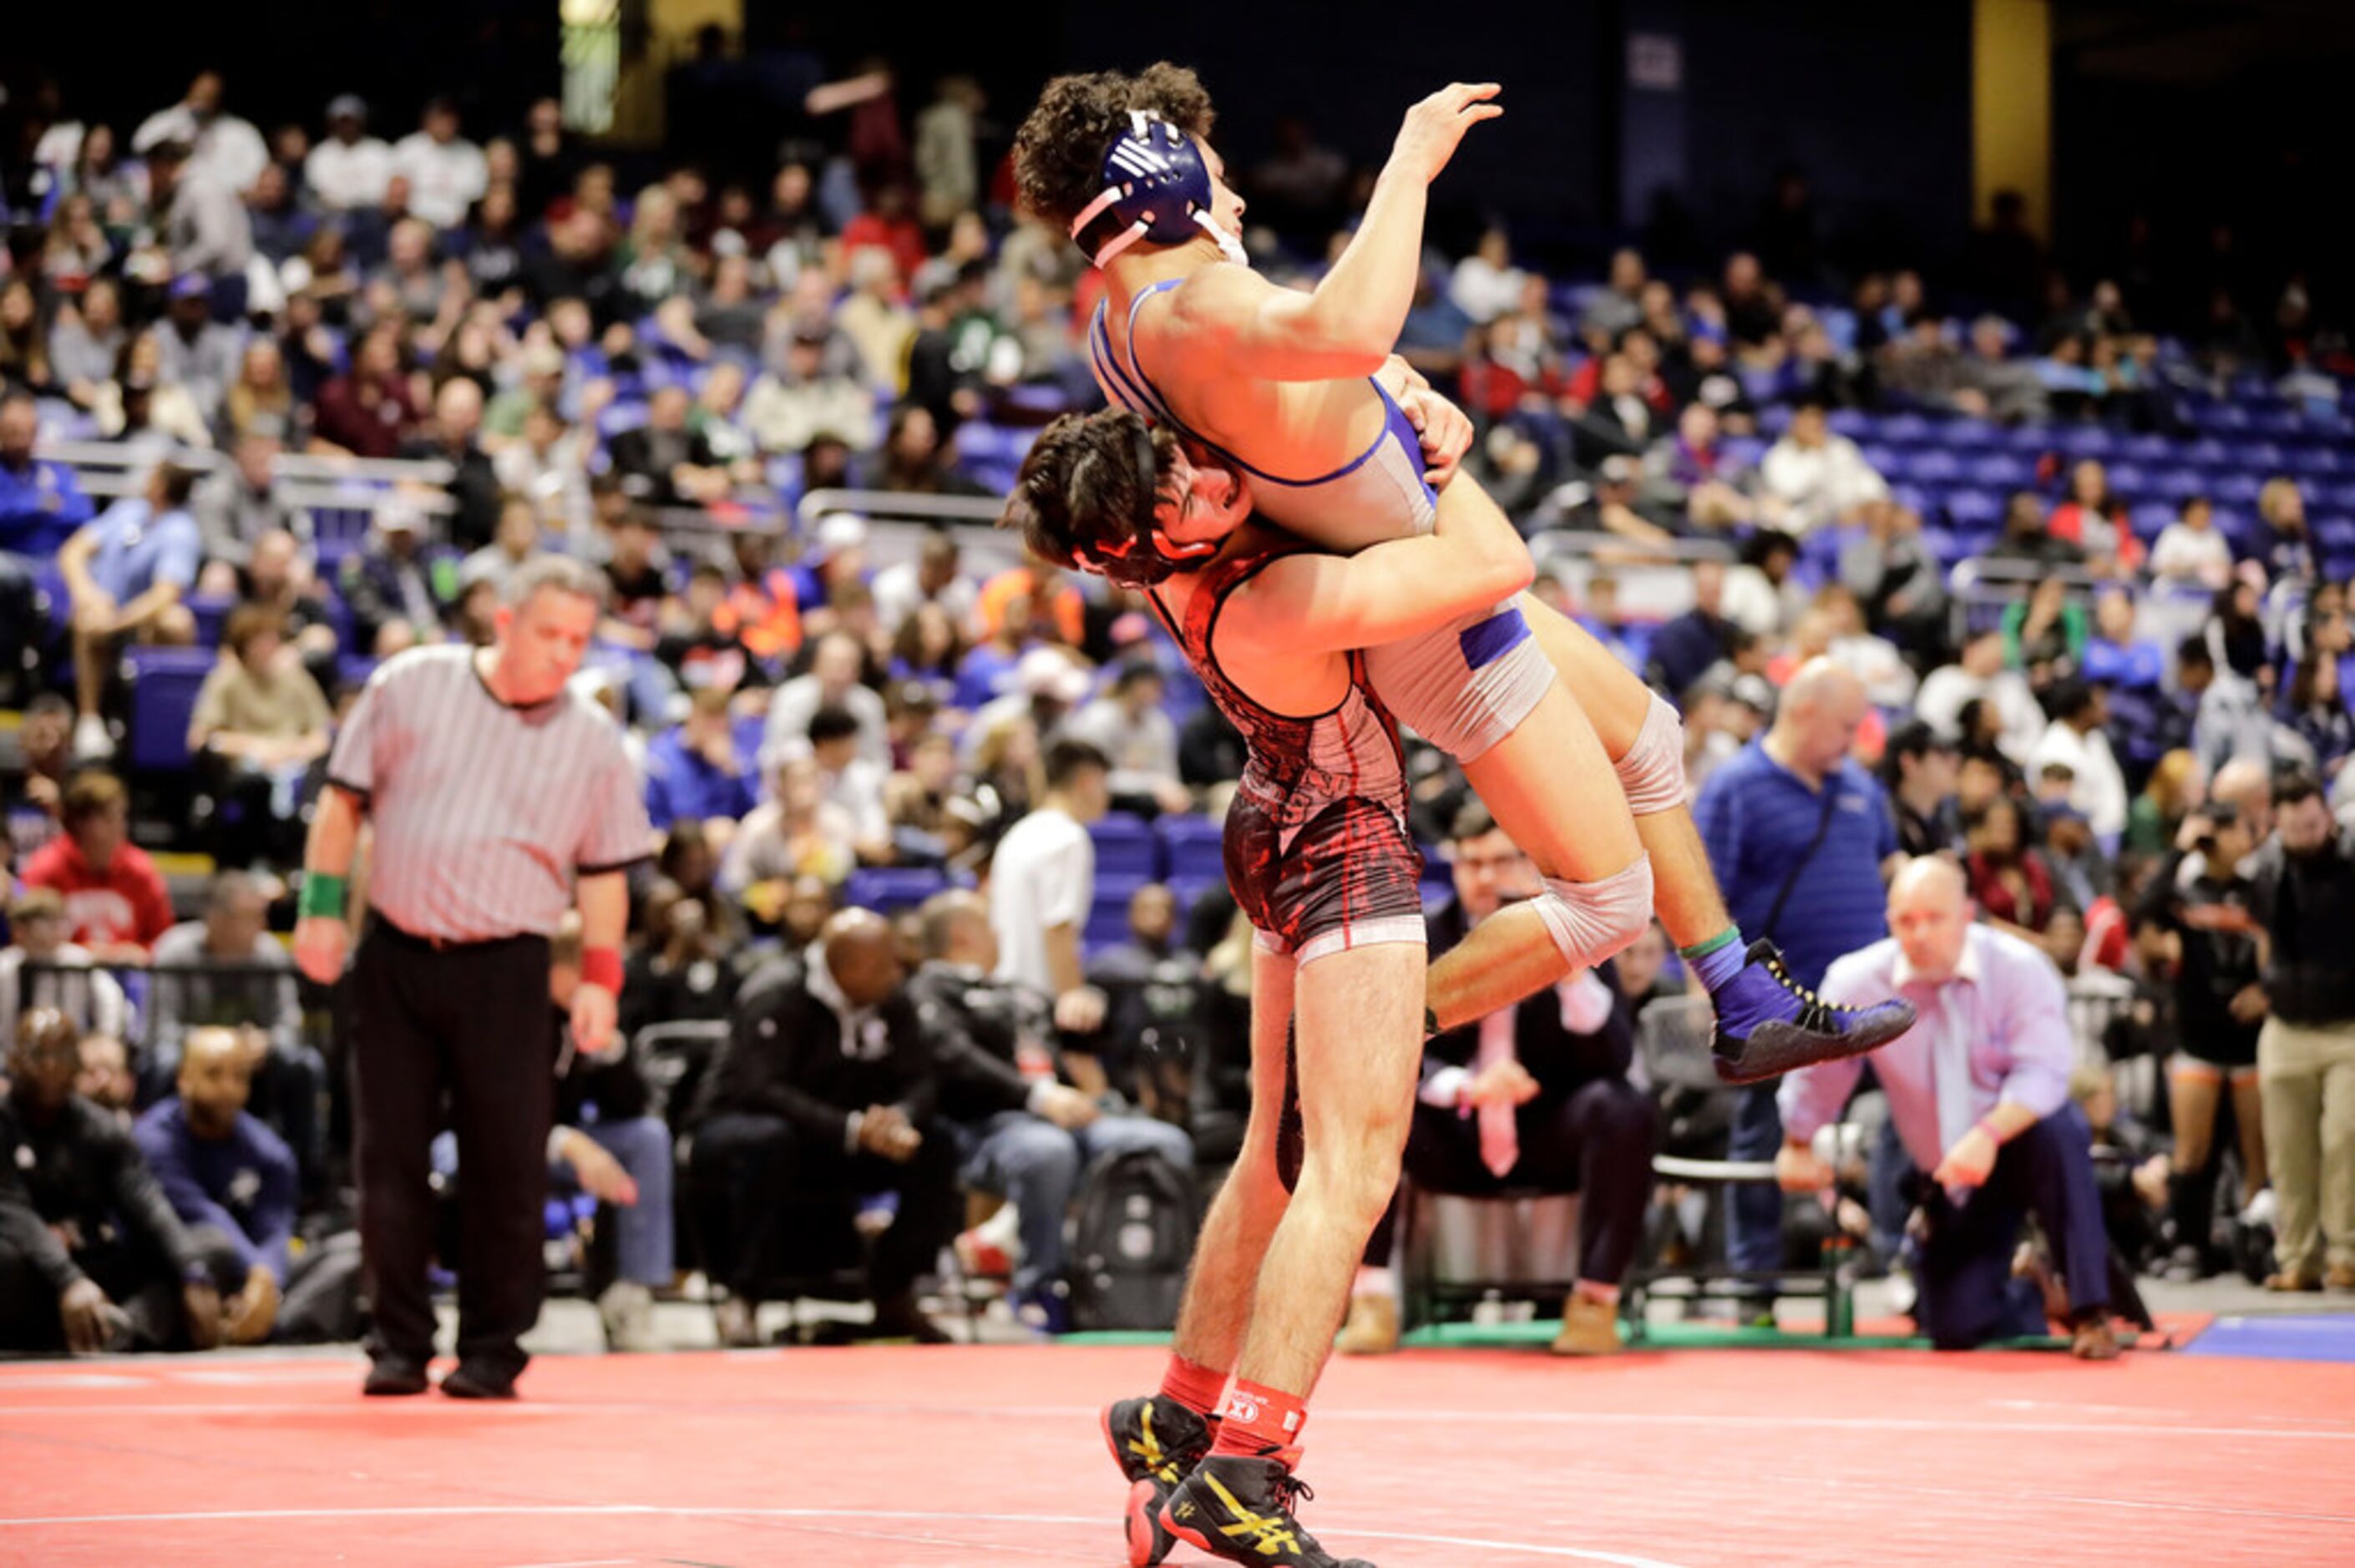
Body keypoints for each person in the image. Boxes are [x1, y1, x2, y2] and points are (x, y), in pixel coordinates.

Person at [1014, 67, 1902, 1094]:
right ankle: (1373, 1034)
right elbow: (1345, 335)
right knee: (1603, 904)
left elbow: (1321, 378)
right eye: (1217, 178)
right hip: (1438, 605)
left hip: (1418, 573)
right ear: (1155, 179)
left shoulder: (1123, 326)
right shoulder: (1191, 303)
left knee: (1649, 738)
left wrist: (1405, 392)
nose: (1238, 198)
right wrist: (1410, 163)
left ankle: (1742, 997)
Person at [1002, 372, 1530, 1566]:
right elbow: (1497, 566)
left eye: (1173, 458)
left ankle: (1178, 1415)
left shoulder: (1185, 549)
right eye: (1174, 492)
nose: (1203, 479)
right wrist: (1436, 450)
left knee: (1277, 1156)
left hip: (1274, 821)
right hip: (1344, 841)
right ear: (1142, 546)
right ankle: (1248, 1467)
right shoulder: (1272, 594)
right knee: (1354, 1167)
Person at [294, 555, 651, 1399]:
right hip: (399, 956)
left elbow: (604, 875)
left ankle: (493, 1348)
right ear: (503, 621)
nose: (565, 654)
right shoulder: (410, 685)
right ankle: (397, 1343)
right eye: (549, 633)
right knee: (389, 1161)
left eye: (579, 639)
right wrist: (317, 909)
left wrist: (600, 978)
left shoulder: (593, 739)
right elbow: (341, 801)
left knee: (508, 1166)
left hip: (510, 967)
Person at [1336, 805, 1658, 1358]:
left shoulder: (1578, 934)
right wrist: (1465, 1087)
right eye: (1471, 863)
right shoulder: (1422, 938)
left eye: (1502, 861)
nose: (1485, 878)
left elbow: (1613, 1055)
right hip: (1449, 1133)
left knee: (1626, 1108)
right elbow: (1386, 1052)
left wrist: (1569, 968)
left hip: (1547, 1126)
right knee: (1369, 1102)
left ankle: (1595, 1302)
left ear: (1532, 864)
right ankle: (1372, 1299)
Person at [1780, 859, 2117, 1358]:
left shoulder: (2018, 968)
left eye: (1934, 918)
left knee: (2061, 1126)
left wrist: (1989, 1134)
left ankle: (2092, 1311)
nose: (1919, 934)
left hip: (2017, 1142)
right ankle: (2033, 1284)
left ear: (1968, 914)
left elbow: (2045, 1072)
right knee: (1955, 1329)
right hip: (1944, 1172)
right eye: (1905, 920)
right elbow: (1821, 1072)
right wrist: (1798, 1141)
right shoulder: (1857, 982)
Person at [1693, 660, 1907, 1310]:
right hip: (1779, 1008)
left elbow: (1890, 864)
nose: (1855, 738)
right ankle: (1754, 1289)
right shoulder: (1735, 787)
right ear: (1804, 711)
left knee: (1909, 1113)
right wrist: (1717, 996)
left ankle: (1906, 1264)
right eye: (1846, 724)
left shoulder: (1862, 789)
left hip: (1869, 1004)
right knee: (1764, 1136)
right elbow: (1701, 897)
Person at [909, 890, 1193, 1328]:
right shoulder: (929, 990)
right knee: (1046, 1151)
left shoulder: (1013, 990)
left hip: (1066, 1116)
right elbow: (954, 1057)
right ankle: (1040, 1286)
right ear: (963, 935)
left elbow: (1074, 1046)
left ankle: (1156, 1280)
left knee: (1165, 1141)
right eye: (988, 925)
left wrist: (1091, 1014)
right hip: (988, 1125)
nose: (998, 934)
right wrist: (1037, 1096)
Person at [686, 909, 960, 1346]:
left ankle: (894, 1291)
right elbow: (759, 1089)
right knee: (770, 1142)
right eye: (887, 963)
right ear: (851, 968)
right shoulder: (776, 993)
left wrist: (900, 1117)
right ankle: (743, 1296)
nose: (898, 972)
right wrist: (850, 1127)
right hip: (746, 1128)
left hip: (840, 1135)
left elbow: (922, 1077)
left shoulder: (892, 999)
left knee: (937, 1144)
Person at [0, 1009, 223, 1353]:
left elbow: (145, 1199)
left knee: (209, 1247)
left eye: (60, 1055)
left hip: (94, 1265)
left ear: (76, 1062)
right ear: (14, 1060)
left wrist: (190, 1270)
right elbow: (11, 1210)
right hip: (32, 1271)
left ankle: (120, 1329)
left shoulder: (99, 1127)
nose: (49, 1067)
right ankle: (64, 1332)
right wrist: (68, 1281)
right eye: (38, 1054)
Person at [2244, 771, 2355, 1292]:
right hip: (2287, 1023)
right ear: (2276, 825)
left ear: (2328, 817)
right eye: (2292, 830)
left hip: (2347, 1025)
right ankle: (2298, 1259)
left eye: (2311, 826)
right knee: (2288, 1150)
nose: (2304, 837)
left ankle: (2347, 1253)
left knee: (2346, 1138)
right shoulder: (2267, 868)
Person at [147, 870, 326, 1185]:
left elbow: (289, 1022)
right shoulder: (175, 950)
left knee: (304, 1065)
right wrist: (221, 1046)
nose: (262, 926)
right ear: (217, 919)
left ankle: (305, 1183)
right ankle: (155, 1168)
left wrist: (265, 1042)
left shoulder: (268, 952)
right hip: (194, 1058)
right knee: (161, 1064)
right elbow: (161, 1028)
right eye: (251, 917)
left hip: (255, 1059)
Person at [132, 1026, 296, 1346]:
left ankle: (254, 1321)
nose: (228, 1089)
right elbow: (201, 1212)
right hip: (180, 1265)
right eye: (214, 1075)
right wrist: (259, 1270)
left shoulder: (270, 1151)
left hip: (250, 1275)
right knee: (212, 1246)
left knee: (350, 1253)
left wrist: (267, 1282)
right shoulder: (152, 1139)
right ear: (184, 1078)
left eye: (240, 1077)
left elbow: (276, 1228)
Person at [988, 739, 1117, 1091]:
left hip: (1005, 994)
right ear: (1088, 780)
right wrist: (1071, 1006)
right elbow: (1059, 928)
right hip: (1040, 1004)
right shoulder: (1068, 838)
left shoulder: (1019, 833)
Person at [56, 462, 203, 759]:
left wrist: (116, 622)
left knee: (176, 621)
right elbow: (72, 552)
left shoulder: (181, 530)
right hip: (101, 612)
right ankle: (90, 722)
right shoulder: (127, 511)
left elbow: (164, 595)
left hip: (139, 625)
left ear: (160, 485)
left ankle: (164, 722)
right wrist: (87, 592)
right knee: (90, 615)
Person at [189, 603, 334, 868]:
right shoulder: (225, 680)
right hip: (245, 771)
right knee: (254, 785)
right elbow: (202, 738)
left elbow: (321, 736)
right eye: (259, 641)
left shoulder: (296, 679)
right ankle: (254, 864)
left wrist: (287, 753)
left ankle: (298, 869)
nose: (267, 647)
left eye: (272, 640)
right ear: (243, 645)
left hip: (293, 767)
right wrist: (256, 748)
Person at [22, 771, 176, 960]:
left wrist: (141, 952)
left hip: (129, 978)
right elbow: (27, 934)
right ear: (83, 823)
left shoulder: (140, 870)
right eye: (112, 818)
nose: (121, 826)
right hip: (63, 978)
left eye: (121, 817)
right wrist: (82, 954)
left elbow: (164, 940)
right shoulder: (45, 869)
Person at [0, 886, 130, 1050]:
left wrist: (105, 1038)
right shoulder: (6, 964)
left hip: (67, 1052)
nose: (57, 927)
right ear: (20, 929)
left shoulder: (78, 960)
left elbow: (110, 1000)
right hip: (10, 1051)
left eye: (58, 920)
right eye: (48, 921)